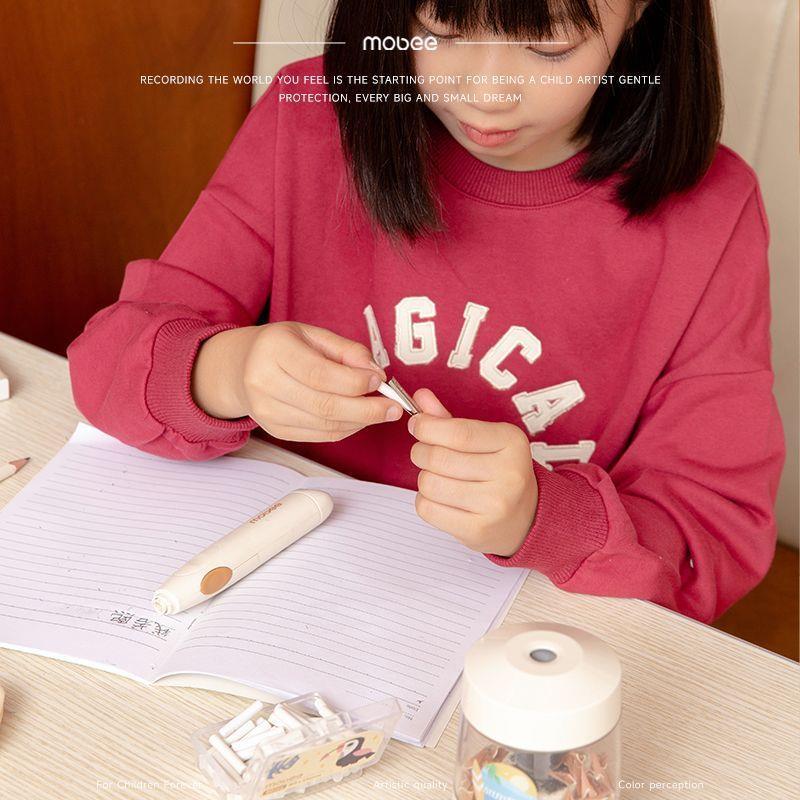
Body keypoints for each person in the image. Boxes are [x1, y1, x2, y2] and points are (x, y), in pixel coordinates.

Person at [67, 0, 786, 623]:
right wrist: (227, 372)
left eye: (549, 46)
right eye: (441, 29)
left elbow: (715, 536)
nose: (487, 93)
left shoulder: (710, 213)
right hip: (278, 593)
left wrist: (544, 518)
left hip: (524, 642)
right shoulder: (309, 119)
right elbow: (105, 365)